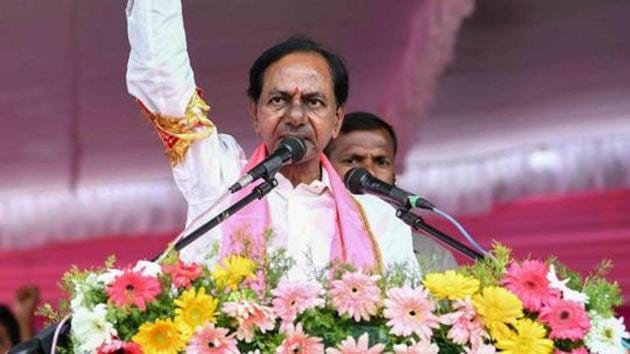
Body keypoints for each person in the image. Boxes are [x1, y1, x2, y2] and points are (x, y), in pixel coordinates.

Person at [125, 0, 419, 278]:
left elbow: (406, 316)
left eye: (314, 102)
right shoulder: (220, 181)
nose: (295, 116)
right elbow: (163, 83)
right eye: (278, 100)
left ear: (337, 119)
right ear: (255, 113)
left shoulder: (378, 220)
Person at [325, 112, 458, 272]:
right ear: (324, 169)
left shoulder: (431, 255)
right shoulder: (305, 238)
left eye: (381, 162)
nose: (368, 173)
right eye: (352, 160)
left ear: (394, 175)